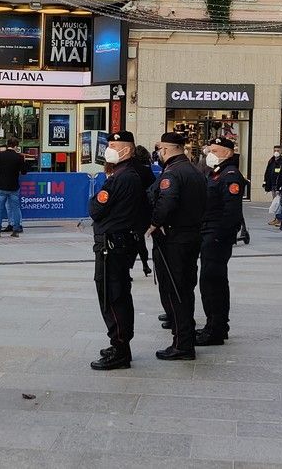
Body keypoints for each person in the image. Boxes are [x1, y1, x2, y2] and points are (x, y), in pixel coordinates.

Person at [88, 131, 147, 371]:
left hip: (112, 245)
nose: (109, 149)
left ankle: (120, 348)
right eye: (109, 144)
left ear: (127, 150)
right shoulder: (129, 174)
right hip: (119, 242)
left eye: (114, 145)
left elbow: (95, 209)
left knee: (112, 295)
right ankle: (121, 345)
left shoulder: (121, 177)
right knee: (117, 293)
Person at [147, 132, 207, 361]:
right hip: (191, 236)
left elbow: (166, 202)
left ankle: (182, 344)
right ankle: (186, 336)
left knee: (174, 291)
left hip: (173, 239)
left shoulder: (172, 173)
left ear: (166, 149)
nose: (159, 153)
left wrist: (154, 223)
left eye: (160, 149)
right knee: (185, 289)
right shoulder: (194, 170)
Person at [196, 137, 247, 346]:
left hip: (216, 236)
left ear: (227, 153)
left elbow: (231, 212)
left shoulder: (230, 175)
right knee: (209, 282)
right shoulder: (217, 173)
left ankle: (216, 329)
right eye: (210, 150)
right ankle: (215, 325)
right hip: (209, 233)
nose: (210, 154)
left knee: (213, 283)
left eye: (215, 151)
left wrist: (219, 236)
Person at [0, 137, 26, 238]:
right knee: (15, 208)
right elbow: (24, 172)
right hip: (13, 187)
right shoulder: (19, 157)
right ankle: (16, 230)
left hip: (1, 186)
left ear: (8, 145)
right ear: (16, 146)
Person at [131, 145, 155, 277]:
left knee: (136, 239)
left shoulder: (131, 169)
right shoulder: (147, 170)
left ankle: (133, 266)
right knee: (139, 238)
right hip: (145, 208)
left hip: (133, 208)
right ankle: (145, 264)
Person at [261, 145, 282, 226]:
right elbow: (267, 172)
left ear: (281, 151)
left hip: (279, 186)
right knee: (275, 202)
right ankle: (276, 218)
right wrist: (265, 183)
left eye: (278, 150)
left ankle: (279, 219)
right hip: (273, 185)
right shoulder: (271, 160)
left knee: (279, 203)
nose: (276, 152)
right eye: (275, 150)